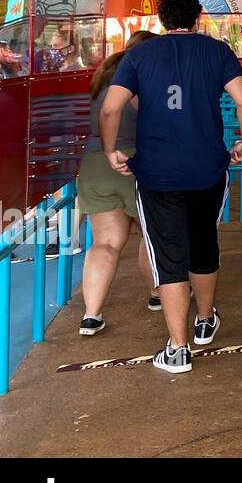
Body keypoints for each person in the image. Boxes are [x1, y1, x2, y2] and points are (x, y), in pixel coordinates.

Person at [99, 0, 242, 374]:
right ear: (199, 16)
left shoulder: (138, 56)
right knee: (204, 242)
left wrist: (110, 151)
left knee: (169, 254)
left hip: (157, 173)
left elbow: (110, 107)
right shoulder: (218, 52)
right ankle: (205, 322)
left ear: (161, 18)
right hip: (207, 168)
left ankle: (177, 349)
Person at [76, 30, 160, 335]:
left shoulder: (103, 76)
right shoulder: (141, 78)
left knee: (105, 242)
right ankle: (157, 295)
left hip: (95, 164)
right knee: (152, 237)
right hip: (134, 162)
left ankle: (91, 315)